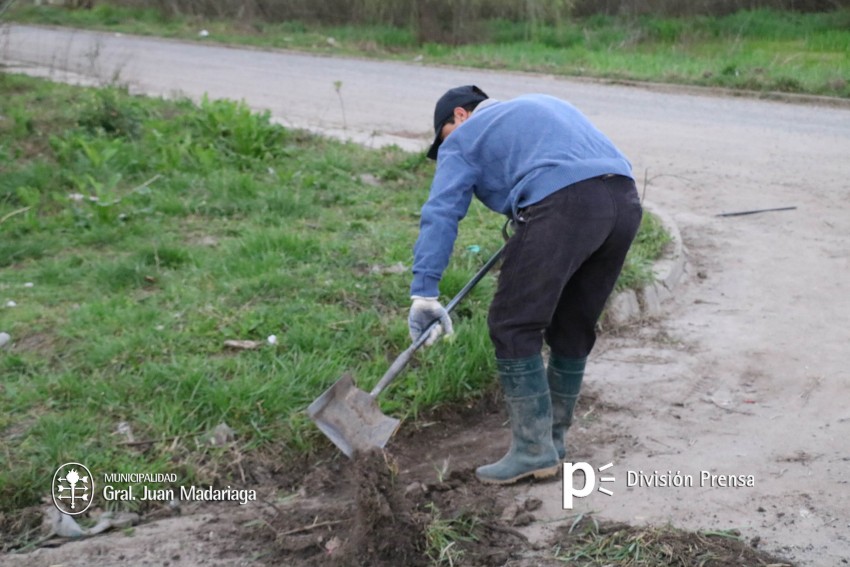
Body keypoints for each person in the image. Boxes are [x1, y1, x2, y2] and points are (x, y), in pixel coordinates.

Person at [407, 85, 643, 485]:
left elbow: (442, 212)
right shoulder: (546, 102)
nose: (445, 149)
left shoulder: (465, 135)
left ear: (460, 116)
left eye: (443, 135)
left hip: (564, 205)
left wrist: (424, 292)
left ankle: (533, 450)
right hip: (623, 202)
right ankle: (551, 441)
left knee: (512, 323)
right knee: (572, 323)